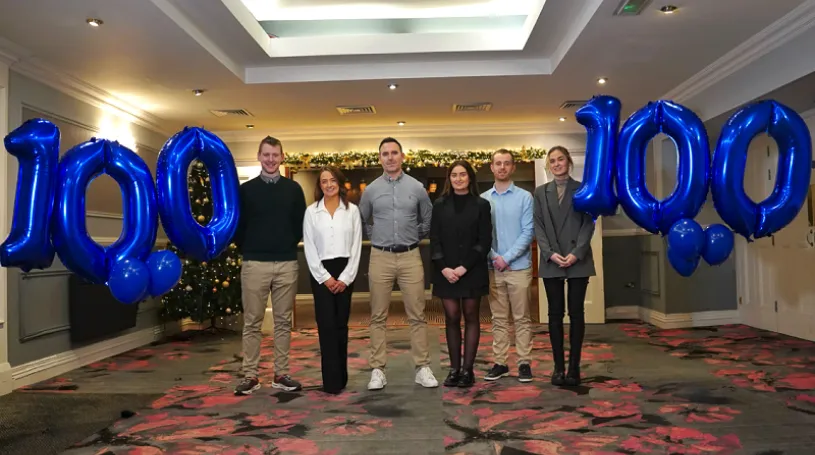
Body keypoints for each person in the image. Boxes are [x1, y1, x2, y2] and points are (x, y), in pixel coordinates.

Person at [359, 137, 439, 390]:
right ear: (380, 158)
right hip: (380, 256)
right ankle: (377, 370)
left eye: (394, 153)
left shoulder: (417, 187)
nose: (390, 157)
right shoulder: (371, 190)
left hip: (410, 256)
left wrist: (415, 235)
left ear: (402, 156)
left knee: (417, 314)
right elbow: (361, 219)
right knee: (377, 315)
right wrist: (374, 235)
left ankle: (422, 367)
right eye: (385, 154)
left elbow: (428, 218)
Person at [233, 136, 307, 395]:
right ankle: (250, 375)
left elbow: (300, 224)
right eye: (266, 155)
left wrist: (285, 243)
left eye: (275, 155)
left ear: (282, 157)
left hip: (287, 262)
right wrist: (250, 246)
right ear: (259, 156)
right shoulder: (246, 190)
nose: (271, 159)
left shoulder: (293, 189)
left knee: (283, 322)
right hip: (254, 263)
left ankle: (281, 374)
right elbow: (237, 225)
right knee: (252, 322)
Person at [533, 146, 596, 387]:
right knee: (555, 314)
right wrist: (550, 253)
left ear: (569, 162)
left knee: (577, 313)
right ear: (548, 166)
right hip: (552, 260)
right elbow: (538, 225)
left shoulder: (584, 189)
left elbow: (589, 223)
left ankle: (574, 367)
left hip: (578, 259)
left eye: (561, 159)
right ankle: (558, 367)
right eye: (553, 161)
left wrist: (576, 253)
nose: (557, 164)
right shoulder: (541, 193)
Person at [430, 160, 492, 387]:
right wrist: (444, 268)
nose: (458, 179)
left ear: (470, 178)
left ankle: (467, 370)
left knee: (471, 316)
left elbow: (484, 241)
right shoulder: (439, 205)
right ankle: (454, 369)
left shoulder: (482, 205)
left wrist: (464, 267)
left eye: (462, 174)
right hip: (445, 271)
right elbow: (434, 239)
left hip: (472, 269)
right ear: (449, 178)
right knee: (452, 317)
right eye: (454, 175)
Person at [303, 166, 362, 394]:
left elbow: (356, 247)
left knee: (340, 326)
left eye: (332, 180)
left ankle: (342, 378)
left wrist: (345, 278)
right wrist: (325, 278)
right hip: (321, 274)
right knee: (326, 326)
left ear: (340, 182)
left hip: (345, 271)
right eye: (324, 181)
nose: (329, 184)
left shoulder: (352, 211)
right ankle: (331, 381)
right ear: (320, 185)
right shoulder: (311, 212)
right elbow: (310, 248)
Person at [480, 150, 535, 383]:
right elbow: (481, 235)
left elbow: (528, 232)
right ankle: (500, 363)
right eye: (498, 163)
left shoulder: (525, 198)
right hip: (493, 268)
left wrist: (507, 258)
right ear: (492, 167)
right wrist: (495, 258)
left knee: (522, 318)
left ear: (513, 167)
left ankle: (524, 363)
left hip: (519, 267)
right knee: (499, 318)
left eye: (506, 163)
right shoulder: (483, 200)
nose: (502, 167)